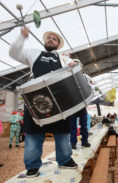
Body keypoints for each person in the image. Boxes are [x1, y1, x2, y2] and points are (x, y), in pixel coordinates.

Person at [9, 27, 78, 177]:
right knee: (33, 133)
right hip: (36, 98)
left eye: (54, 38)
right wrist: (21, 37)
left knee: (63, 132)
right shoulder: (33, 53)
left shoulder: (63, 57)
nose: (50, 40)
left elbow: (73, 64)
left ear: (58, 43)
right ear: (45, 41)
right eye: (49, 38)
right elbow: (13, 53)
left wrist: (72, 63)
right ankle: (32, 165)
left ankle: (65, 159)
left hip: (59, 99)